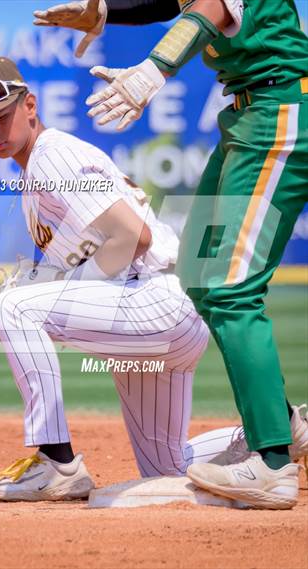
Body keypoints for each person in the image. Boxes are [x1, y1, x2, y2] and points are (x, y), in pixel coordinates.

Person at [33, 0, 308, 509]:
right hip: (248, 115)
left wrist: (153, 69)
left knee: (230, 289)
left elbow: (208, 6)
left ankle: (273, 465)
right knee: (200, 275)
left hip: (282, 111)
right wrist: (109, 12)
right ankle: (286, 423)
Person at [0, 56, 266, 503]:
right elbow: (108, 246)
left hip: (153, 299)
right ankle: (284, 427)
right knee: (168, 468)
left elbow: (132, 236)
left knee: (14, 304)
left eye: (0, 115)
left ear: (30, 105)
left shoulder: (52, 157)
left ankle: (55, 462)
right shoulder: (40, 165)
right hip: (162, 312)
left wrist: (58, 288)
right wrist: (57, 279)